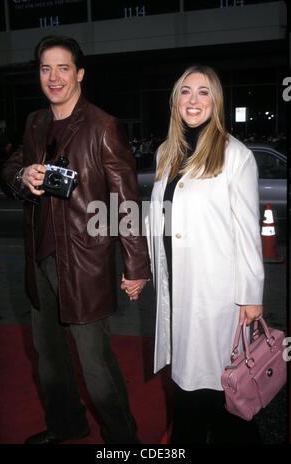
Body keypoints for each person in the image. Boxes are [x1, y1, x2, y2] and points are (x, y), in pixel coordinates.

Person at [1, 35, 149, 444]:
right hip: (40, 260)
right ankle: (67, 426)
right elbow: (9, 168)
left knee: (96, 366)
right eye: (46, 68)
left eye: (63, 67)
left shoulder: (103, 126)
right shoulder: (35, 122)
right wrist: (21, 176)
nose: (54, 77)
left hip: (84, 264)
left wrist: (136, 266)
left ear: (79, 73)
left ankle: (125, 443)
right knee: (49, 360)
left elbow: (126, 201)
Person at [146, 65, 264, 444]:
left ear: (216, 101)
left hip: (216, 295)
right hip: (177, 288)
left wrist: (251, 295)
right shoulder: (167, 152)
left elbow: (247, 230)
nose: (193, 100)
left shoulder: (235, 155)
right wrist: (145, 270)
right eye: (185, 92)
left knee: (222, 390)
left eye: (203, 92)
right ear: (175, 100)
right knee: (186, 384)